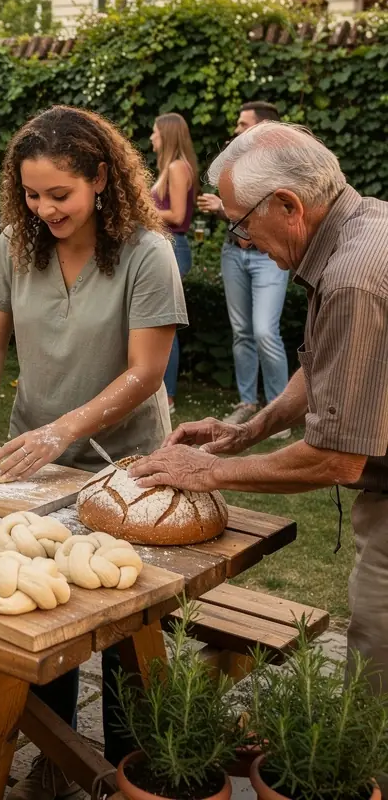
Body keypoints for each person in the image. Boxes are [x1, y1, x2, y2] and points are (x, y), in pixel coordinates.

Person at [0, 106, 185, 799]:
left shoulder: (147, 251)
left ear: (103, 180)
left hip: (129, 469)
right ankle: (53, 763)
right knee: (41, 618)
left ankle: (128, 772)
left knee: (122, 626)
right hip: (32, 462)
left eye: (61, 195)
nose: (44, 209)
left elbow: (146, 370)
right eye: (30, 193)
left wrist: (64, 429)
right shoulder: (16, 245)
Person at [131, 122, 388, 698]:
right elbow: (328, 364)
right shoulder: (364, 226)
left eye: (241, 223)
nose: (243, 241)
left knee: (375, 692)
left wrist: (210, 471)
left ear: (288, 204)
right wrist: (249, 430)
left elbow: (337, 460)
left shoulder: (353, 277)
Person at [198, 101, 290, 433]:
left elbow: (275, 216)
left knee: (266, 331)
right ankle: (247, 403)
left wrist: (224, 208)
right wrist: (224, 211)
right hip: (233, 254)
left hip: (269, 258)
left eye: (241, 124)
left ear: (262, 129)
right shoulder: (232, 166)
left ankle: (280, 412)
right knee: (242, 333)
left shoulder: (282, 169)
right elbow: (239, 218)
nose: (235, 130)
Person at [149, 112, 198, 412]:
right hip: (165, 246)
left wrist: (140, 210)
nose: (152, 137)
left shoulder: (178, 167)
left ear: (166, 135)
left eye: (155, 132)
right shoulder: (168, 167)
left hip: (173, 246)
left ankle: (166, 396)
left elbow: (178, 216)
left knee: (164, 324)